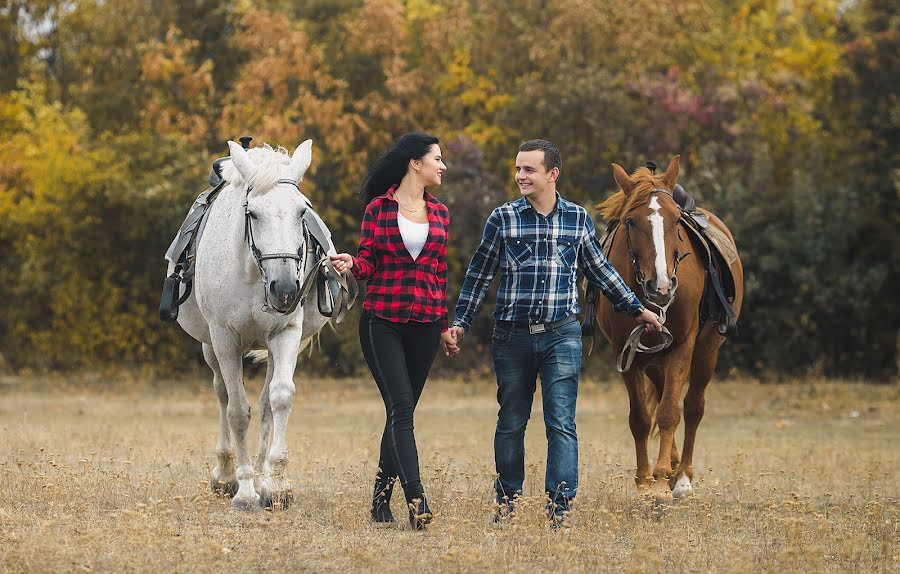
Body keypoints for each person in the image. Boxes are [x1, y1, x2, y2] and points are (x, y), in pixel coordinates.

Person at [448, 139, 662, 526]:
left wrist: (638, 308)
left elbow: (601, 272)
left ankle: (560, 508)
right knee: (512, 420)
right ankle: (507, 501)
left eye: (529, 169)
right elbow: (478, 275)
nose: (520, 176)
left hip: (561, 335)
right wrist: (460, 323)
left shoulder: (578, 218)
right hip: (511, 336)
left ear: (552, 174)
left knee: (561, 421)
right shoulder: (502, 218)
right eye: (517, 169)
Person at [330, 132, 457, 530]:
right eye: (437, 158)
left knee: (399, 412)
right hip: (382, 322)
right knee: (401, 408)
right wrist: (352, 263)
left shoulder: (440, 213)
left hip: (423, 325)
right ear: (414, 163)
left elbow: (439, 273)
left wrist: (443, 326)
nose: (443, 165)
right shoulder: (378, 209)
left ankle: (379, 501)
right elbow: (369, 262)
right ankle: (417, 500)